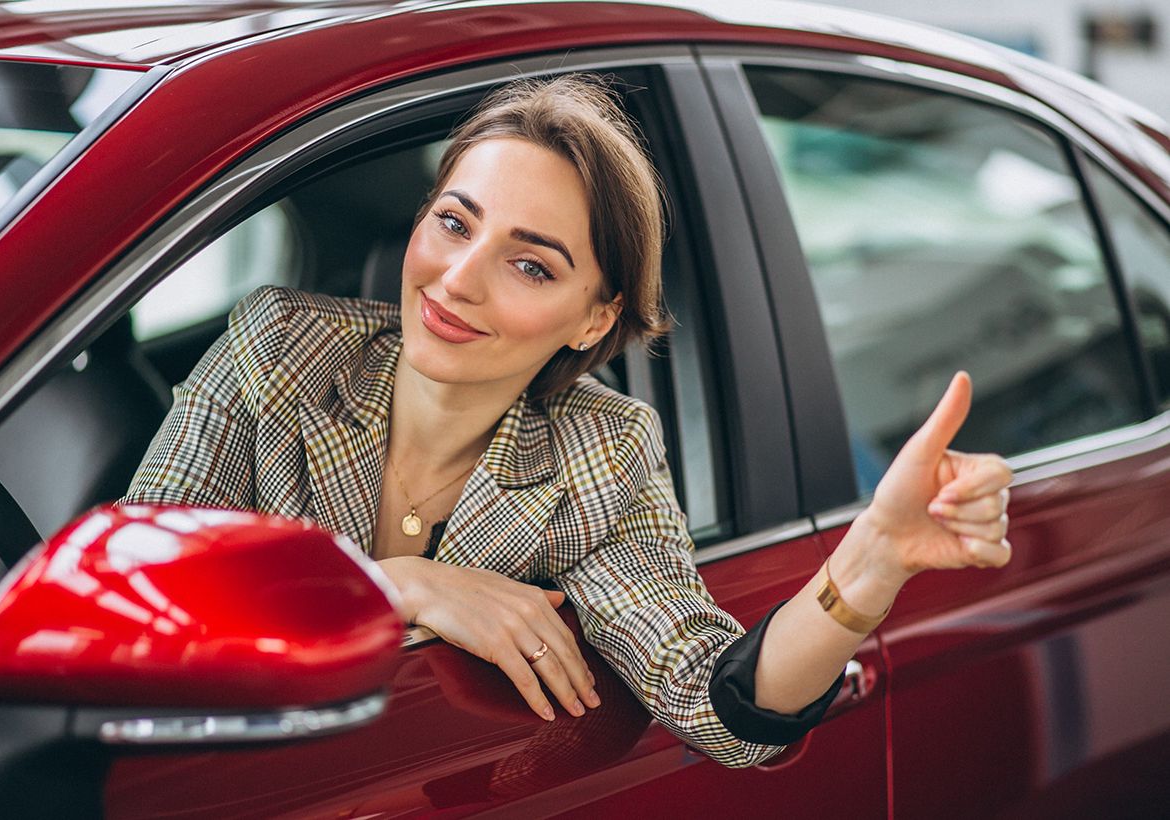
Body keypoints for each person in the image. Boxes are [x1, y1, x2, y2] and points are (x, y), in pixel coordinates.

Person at [123, 74, 1012, 767]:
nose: (459, 278)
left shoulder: (601, 454)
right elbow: (137, 590)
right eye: (454, 222)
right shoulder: (282, 347)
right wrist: (398, 584)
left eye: (533, 267)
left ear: (594, 319)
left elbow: (718, 706)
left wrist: (871, 562)